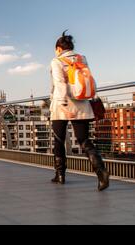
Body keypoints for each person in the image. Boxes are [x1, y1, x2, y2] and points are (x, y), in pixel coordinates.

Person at [50, 31, 109, 191]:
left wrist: (62, 102)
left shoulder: (57, 61)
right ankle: (101, 172)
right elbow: (89, 81)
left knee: (59, 140)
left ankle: (60, 175)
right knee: (84, 141)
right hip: (82, 104)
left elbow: (60, 83)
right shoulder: (82, 59)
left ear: (58, 48)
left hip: (62, 106)